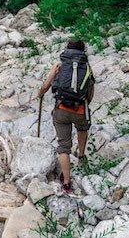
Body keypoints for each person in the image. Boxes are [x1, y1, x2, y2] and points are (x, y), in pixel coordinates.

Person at [37, 38, 94, 193]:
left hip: (61, 109)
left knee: (63, 146)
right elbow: (90, 93)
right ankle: (82, 155)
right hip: (80, 110)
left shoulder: (59, 66)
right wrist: (83, 102)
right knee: (82, 128)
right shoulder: (87, 68)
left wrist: (40, 94)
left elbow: (45, 86)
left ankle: (67, 182)